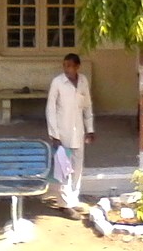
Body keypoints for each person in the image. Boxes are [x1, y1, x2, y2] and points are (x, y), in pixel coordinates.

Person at [46, 53, 95, 220]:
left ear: (77, 67)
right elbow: (50, 109)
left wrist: (90, 129)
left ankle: (73, 199)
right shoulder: (57, 82)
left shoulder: (83, 81)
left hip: (78, 132)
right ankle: (64, 204)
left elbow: (87, 106)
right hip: (62, 133)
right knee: (63, 168)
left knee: (77, 167)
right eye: (65, 65)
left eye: (70, 65)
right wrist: (54, 134)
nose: (67, 69)